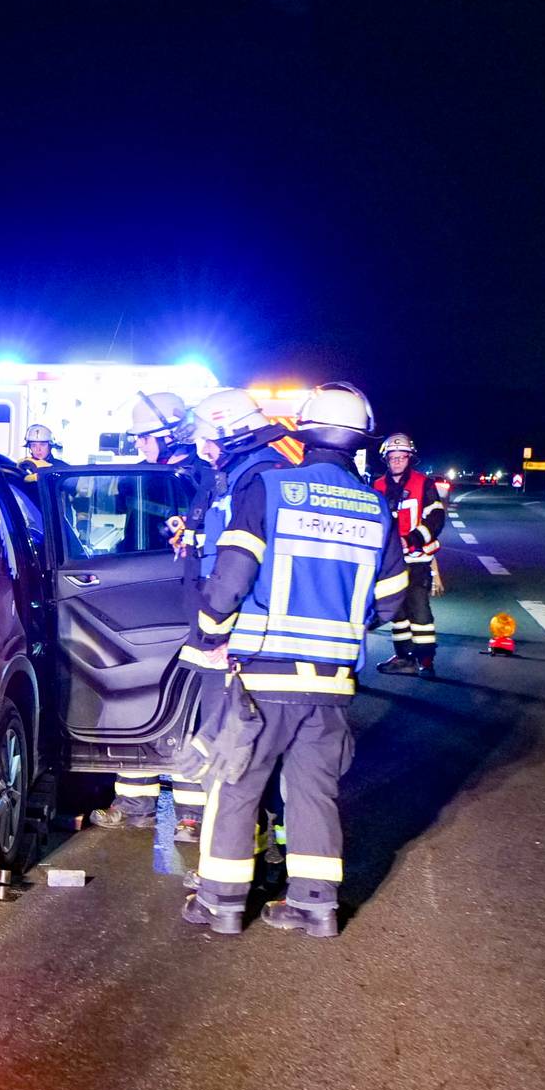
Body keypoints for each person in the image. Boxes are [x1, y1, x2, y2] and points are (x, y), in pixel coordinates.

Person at [179, 383, 410, 939]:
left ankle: (222, 904)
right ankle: (314, 906)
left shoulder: (270, 489)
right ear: (361, 440)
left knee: (236, 787)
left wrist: (210, 631)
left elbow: (231, 576)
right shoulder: (376, 506)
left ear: (303, 431)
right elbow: (394, 597)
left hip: (264, 674)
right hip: (332, 681)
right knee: (313, 791)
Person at [87, 392, 216, 839]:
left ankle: (191, 814)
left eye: (145, 438)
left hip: (183, 606)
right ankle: (134, 803)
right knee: (137, 701)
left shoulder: (197, 479)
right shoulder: (145, 478)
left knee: (188, 707)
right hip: (144, 601)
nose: (140, 445)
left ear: (170, 433)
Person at [371, 433, 446, 677]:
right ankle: (404, 657)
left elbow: (436, 518)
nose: (397, 461)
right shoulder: (378, 485)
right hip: (389, 562)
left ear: (410, 458)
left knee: (419, 610)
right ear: (386, 459)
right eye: (392, 457)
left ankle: (425, 661)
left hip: (416, 560)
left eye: (402, 457)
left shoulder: (423, 484)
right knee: (397, 612)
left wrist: (412, 538)